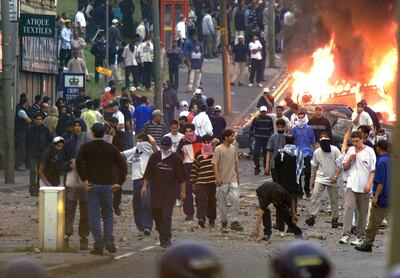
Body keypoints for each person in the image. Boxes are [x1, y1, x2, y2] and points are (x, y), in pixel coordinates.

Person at [76, 123, 128, 255]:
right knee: (108, 214)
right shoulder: (111, 148)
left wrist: (84, 179)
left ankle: (98, 244)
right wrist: (119, 182)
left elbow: (78, 161)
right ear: (105, 133)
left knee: (94, 215)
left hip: (92, 184)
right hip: (107, 185)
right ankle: (109, 241)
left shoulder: (86, 147)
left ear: (92, 133)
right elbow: (122, 165)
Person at [141, 136, 186, 248]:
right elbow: (148, 173)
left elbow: (182, 178)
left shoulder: (176, 159)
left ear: (170, 146)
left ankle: (166, 240)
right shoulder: (155, 157)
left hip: (170, 192)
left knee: (166, 215)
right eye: (163, 147)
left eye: (166, 147)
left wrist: (183, 192)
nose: (164, 149)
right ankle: (163, 234)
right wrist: (144, 186)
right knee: (156, 213)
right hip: (156, 191)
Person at [339, 131, 376, 245]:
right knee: (348, 207)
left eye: (357, 141)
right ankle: (346, 234)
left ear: (362, 140)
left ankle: (360, 236)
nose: (355, 143)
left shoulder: (369, 151)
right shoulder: (350, 150)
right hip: (351, 184)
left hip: (364, 186)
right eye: (353, 141)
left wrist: (369, 184)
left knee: (362, 212)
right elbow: (344, 167)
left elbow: (372, 170)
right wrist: (350, 159)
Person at [355, 140, 390, 252]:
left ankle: (367, 243)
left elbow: (380, 182)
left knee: (373, 223)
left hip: (382, 198)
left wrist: (376, 197)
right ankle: (367, 243)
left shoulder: (381, 162)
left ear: (379, 148)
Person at [122, 134, 158, 236]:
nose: (138, 143)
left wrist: (153, 142)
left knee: (146, 203)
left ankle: (147, 226)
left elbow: (158, 153)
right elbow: (122, 154)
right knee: (137, 204)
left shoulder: (152, 150)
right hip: (136, 180)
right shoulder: (135, 150)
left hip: (148, 180)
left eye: (140, 141)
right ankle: (140, 226)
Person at [305, 132, 341, 228]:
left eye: (326, 137)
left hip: (332, 178)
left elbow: (340, 165)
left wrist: (336, 176)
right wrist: (313, 179)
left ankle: (335, 218)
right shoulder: (317, 152)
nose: (324, 139)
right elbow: (315, 167)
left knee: (334, 199)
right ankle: (312, 216)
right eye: (322, 138)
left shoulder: (335, 150)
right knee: (315, 196)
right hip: (320, 177)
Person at [212, 129, 243, 232]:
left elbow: (235, 164)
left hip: (232, 179)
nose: (233, 138)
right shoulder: (218, 149)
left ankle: (234, 221)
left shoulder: (233, 148)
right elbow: (215, 164)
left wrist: (238, 177)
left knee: (235, 199)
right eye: (232, 136)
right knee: (222, 203)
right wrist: (217, 178)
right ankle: (224, 222)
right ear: (226, 137)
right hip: (222, 180)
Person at [274, 135, 304, 230]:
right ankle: (291, 226)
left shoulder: (281, 153)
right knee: (293, 204)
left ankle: (280, 224)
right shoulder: (298, 153)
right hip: (294, 183)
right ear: (294, 141)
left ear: (285, 141)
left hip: (282, 183)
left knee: (280, 204)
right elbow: (301, 169)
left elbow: (276, 168)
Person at [177, 123, 202, 221]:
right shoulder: (182, 142)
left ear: (193, 131)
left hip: (198, 167)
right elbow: (179, 155)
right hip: (186, 167)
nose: (188, 133)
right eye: (186, 132)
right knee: (187, 191)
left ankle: (201, 213)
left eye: (190, 131)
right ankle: (189, 213)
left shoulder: (200, 139)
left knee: (199, 191)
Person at [190, 135, 217, 228]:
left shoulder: (215, 153)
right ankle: (201, 219)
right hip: (201, 182)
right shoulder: (198, 154)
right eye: (204, 142)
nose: (206, 144)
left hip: (213, 182)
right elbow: (195, 169)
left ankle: (212, 219)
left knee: (212, 201)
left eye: (208, 142)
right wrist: (193, 182)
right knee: (201, 201)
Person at [26, 113, 53, 196]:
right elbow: (26, 142)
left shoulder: (45, 129)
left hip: (42, 154)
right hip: (32, 153)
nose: (39, 121)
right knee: (33, 171)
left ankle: (38, 188)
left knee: (40, 172)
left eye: (40, 119)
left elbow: (50, 141)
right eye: (37, 119)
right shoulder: (30, 129)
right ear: (34, 120)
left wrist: (47, 151)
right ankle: (32, 188)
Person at [291, 111, 316, 198]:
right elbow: (291, 141)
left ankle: (307, 189)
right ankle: (300, 191)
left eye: (302, 117)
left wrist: (315, 152)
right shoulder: (294, 129)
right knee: (298, 173)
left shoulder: (309, 128)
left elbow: (313, 141)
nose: (301, 119)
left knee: (308, 172)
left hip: (307, 153)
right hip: (297, 153)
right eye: (299, 117)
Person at [250, 106, 274, 175]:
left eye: (264, 111)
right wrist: (252, 136)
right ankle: (257, 168)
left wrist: (271, 138)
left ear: (266, 112)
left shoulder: (269, 119)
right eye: (262, 111)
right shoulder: (256, 119)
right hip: (258, 140)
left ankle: (266, 168)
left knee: (266, 155)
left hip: (266, 140)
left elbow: (271, 129)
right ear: (260, 112)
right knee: (255, 154)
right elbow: (252, 128)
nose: (263, 113)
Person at [15, 97, 32, 171]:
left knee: (23, 148)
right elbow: (28, 120)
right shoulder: (21, 111)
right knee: (22, 148)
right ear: (25, 103)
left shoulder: (21, 109)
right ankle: (19, 165)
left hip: (21, 131)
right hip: (21, 132)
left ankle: (21, 164)